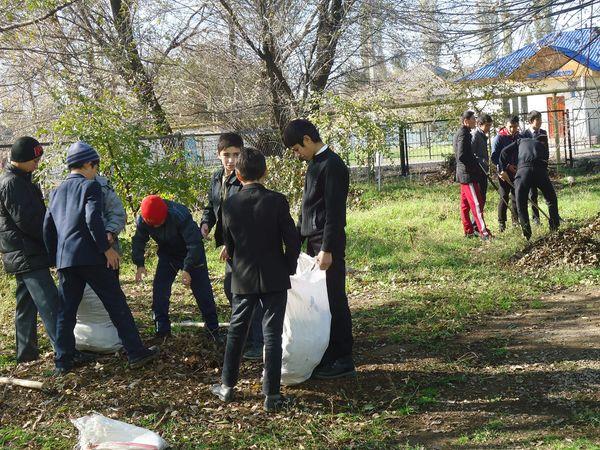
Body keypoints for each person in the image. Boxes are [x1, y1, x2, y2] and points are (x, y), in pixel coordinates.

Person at [43, 141, 159, 375]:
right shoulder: (90, 186)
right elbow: (92, 219)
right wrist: (106, 249)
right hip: (92, 256)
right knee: (116, 304)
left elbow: (47, 227)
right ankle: (136, 352)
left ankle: (62, 362)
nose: (96, 171)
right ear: (87, 164)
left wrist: (54, 259)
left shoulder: (55, 192)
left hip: (66, 259)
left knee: (67, 312)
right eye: (95, 166)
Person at [210, 147, 300, 412]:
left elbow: (229, 241)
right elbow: (292, 240)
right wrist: (289, 266)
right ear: (266, 172)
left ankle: (227, 386)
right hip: (274, 275)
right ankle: (271, 394)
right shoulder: (277, 200)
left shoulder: (230, 203)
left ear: (237, 174)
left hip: (243, 276)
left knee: (237, 330)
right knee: (273, 334)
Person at [283, 118, 355, 379]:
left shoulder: (333, 165)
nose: (297, 154)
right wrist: (297, 240)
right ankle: (328, 351)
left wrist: (327, 248)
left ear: (307, 139)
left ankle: (343, 357)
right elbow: (308, 206)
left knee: (334, 298)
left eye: (296, 149)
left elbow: (335, 213)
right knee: (321, 301)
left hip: (327, 243)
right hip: (313, 240)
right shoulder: (315, 163)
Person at [201, 133, 263, 359]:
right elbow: (212, 206)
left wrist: (231, 244)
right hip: (228, 246)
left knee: (246, 294)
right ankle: (245, 337)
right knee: (232, 291)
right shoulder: (217, 178)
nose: (231, 160)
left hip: (243, 246)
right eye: (226, 155)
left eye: (236, 154)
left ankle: (258, 342)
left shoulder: (245, 179)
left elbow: (245, 218)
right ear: (218, 155)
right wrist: (206, 223)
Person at [132, 194, 222, 344]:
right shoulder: (143, 219)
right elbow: (139, 240)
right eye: (152, 225)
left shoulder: (179, 214)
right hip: (168, 255)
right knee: (159, 291)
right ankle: (162, 331)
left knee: (203, 293)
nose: (154, 227)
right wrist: (139, 264)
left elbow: (195, 244)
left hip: (191, 254)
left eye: (158, 224)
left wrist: (187, 268)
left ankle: (213, 331)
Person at [0, 136, 58, 363]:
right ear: (21, 159)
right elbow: (28, 221)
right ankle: (65, 351)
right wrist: (50, 236)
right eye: (34, 159)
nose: (37, 163)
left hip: (21, 252)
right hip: (27, 253)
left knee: (26, 305)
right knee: (50, 302)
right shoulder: (12, 183)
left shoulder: (20, 179)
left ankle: (26, 353)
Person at [499, 135, 559, 240]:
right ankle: (554, 227)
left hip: (523, 172)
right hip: (540, 171)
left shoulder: (520, 141)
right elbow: (545, 162)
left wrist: (503, 169)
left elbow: (503, 152)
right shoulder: (541, 146)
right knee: (551, 199)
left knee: (521, 203)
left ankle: (527, 234)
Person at [454, 110, 491, 240]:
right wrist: (475, 165)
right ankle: (483, 232)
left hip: (463, 174)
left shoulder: (463, 133)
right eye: (473, 119)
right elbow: (462, 156)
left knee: (464, 205)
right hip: (468, 175)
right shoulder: (464, 135)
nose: (475, 121)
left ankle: (468, 231)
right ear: (466, 121)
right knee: (476, 203)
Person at [491, 115, 520, 232]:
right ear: (506, 125)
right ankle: (501, 223)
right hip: (503, 172)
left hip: (517, 171)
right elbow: (494, 157)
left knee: (516, 196)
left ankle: (516, 221)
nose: (513, 129)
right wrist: (507, 166)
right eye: (511, 126)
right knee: (504, 197)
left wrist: (518, 166)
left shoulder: (519, 137)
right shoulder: (499, 138)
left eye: (515, 127)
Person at [520, 110, 548, 225]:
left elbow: (546, 150)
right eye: (537, 120)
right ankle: (536, 218)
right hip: (529, 168)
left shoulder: (543, 133)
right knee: (532, 194)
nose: (540, 122)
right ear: (531, 121)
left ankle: (554, 215)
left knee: (549, 193)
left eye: (541, 119)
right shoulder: (524, 135)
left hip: (541, 167)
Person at [471, 113, 493, 232]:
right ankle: (475, 225)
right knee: (479, 200)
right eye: (487, 125)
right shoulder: (475, 135)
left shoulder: (483, 135)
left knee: (483, 198)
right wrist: (482, 161)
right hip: (478, 173)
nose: (489, 128)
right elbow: (471, 154)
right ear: (480, 124)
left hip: (484, 171)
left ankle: (477, 223)